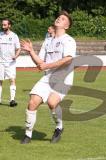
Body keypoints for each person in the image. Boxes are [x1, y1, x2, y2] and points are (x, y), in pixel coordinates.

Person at [20, 11, 76, 144]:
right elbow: (40, 62)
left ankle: (59, 127)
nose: (58, 19)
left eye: (62, 19)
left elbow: (68, 59)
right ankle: (28, 135)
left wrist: (47, 66)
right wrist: (31, 52)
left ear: (66, 26)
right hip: (48, 77)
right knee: (32, 102)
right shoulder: (48, 40)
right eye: (58, 17)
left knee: (52, 102)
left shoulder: (68, 40)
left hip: (64, 78)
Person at [0, 18, 21, 107]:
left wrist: (16, 56)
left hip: (10, 63)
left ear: (9, 25)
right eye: (2, 24)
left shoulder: (14, 36)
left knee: (12, 80)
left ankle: (12, 100)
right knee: (0, 81)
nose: (3, 26)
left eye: (5, 25)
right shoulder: (0, 35)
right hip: (0, 62)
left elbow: (18, 48)